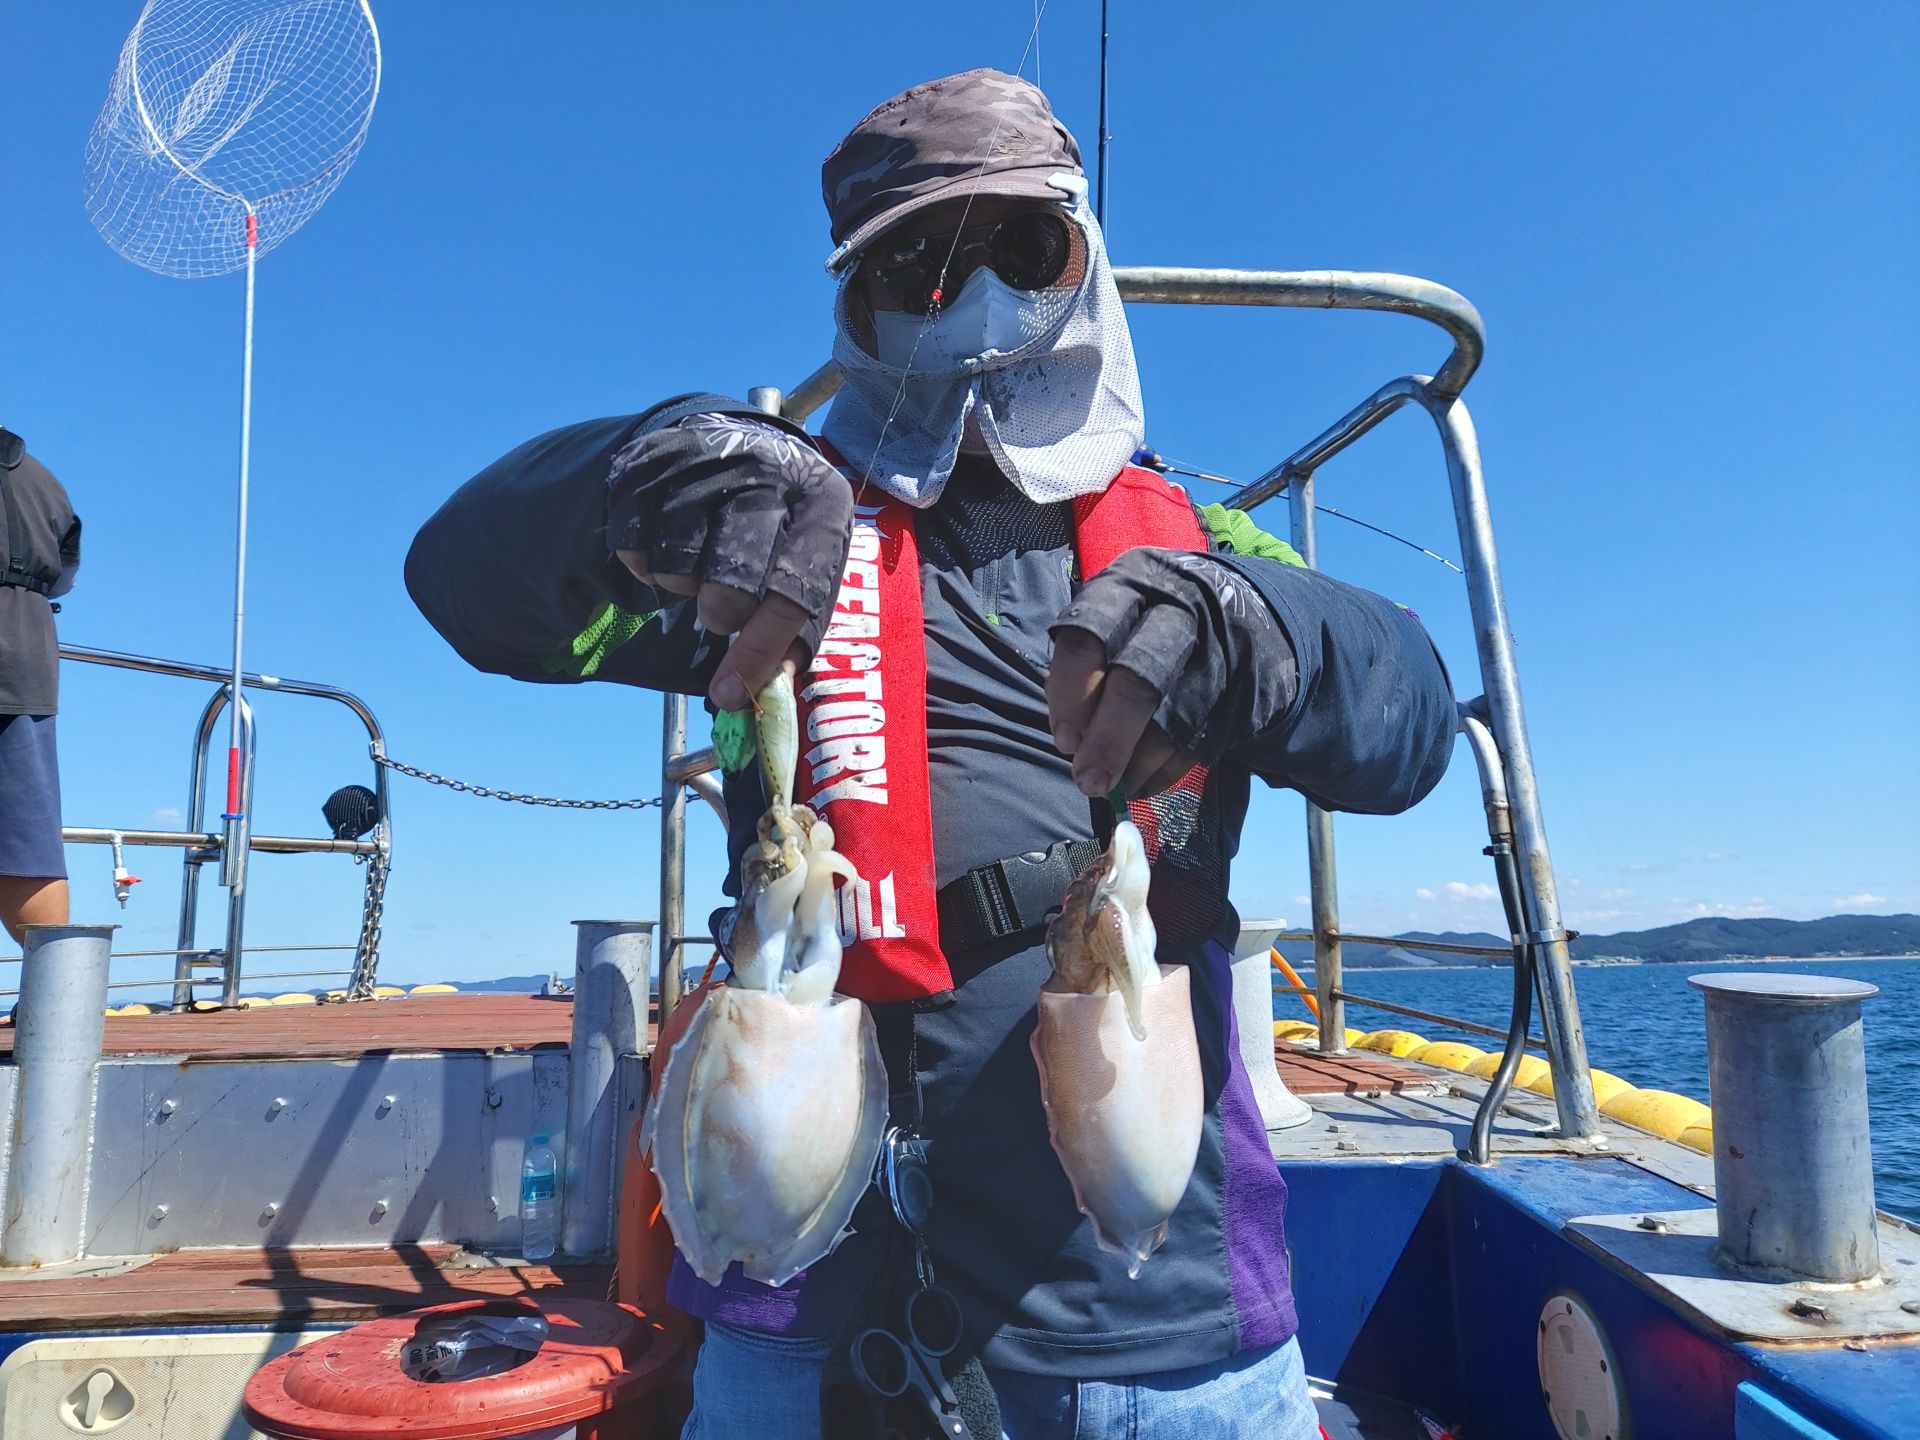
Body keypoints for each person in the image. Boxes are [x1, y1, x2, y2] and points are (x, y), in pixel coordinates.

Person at [408, 69, 1454, 1440]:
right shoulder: (757, 559)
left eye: (1022, 245)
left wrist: (1258, 628)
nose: (973, 297)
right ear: (857, 305)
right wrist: (638, 477)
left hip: (1155, 1311)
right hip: (801, 1304)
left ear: (1086, 261)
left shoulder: (1202, 547)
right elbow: (471, 591)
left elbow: (1408, 717)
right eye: (917, 266)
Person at [0, 426, 80, 943]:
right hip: (26, 658)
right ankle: (57, 982)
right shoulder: (44, 481)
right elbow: (64, 575)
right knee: (26, 838)